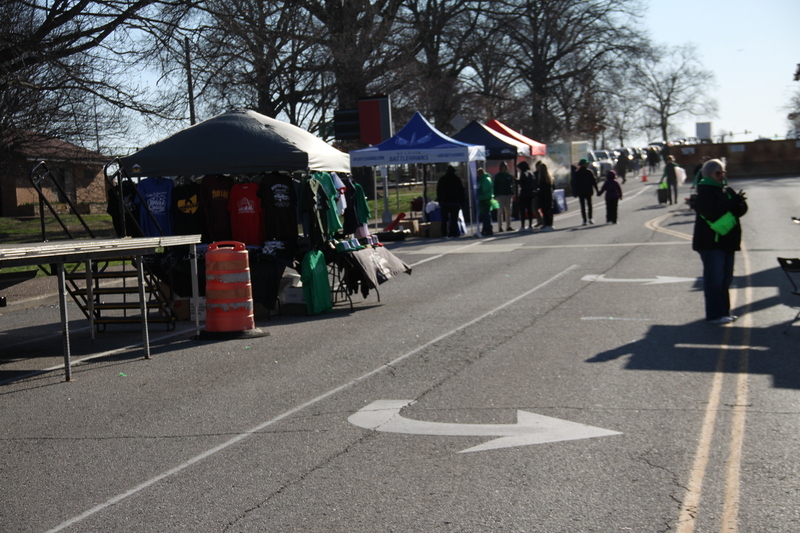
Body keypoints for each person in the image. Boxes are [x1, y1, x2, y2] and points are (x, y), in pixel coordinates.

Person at [692, 159, 748, 324]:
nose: (721, 176)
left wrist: (740, 203)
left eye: (723, 172)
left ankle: (724, 312)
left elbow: (738, 212)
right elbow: (711, 213)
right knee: (715, 280)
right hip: (711, 243)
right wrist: (730, 203)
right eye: (718, 173)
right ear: (708, 174)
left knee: (726, 279)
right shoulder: (705, 191)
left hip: (727, 242)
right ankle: (714, 314)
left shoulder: (726, 190)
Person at [436, 165, 465, 238]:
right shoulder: (457, 179)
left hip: (444, 202)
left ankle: (444, 233)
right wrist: (462, 201)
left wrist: (440, 200)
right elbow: (461, 191)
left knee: (444, 219)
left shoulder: (442, 179)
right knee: (454, 219)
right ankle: (453, 233)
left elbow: (438, 191)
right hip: (455, 202)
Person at [572, 158, 600, 225]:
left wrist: (575, 192)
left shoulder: (577, 173)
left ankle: (584, 220)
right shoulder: (589, 172)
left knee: (582, 206)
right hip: (588, 191)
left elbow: (574, 183)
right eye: (586, 163)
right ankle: (590, 218)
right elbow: (594, 182)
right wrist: (597, 190)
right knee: (589, 205)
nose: (587, 164)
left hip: (580, 191)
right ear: (583, 164)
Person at [493, 162, 515, 232]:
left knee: (508, 211)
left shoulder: (509, 175)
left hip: (508, 195)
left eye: (505, 167)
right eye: (503, 167)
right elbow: (495, 186)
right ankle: (500, 227)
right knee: (500, 212)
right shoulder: (497, 176)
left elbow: (512, 184)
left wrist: (512, 192)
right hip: (500, 196)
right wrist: (496, 195)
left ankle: (508, 226)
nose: (504, 168)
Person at [516, 161, 538, 231]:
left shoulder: (524, 173)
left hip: (524, 193)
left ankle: (522, 226)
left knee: (522, 210)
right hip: (530, 194)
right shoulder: (531, 173)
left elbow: (520, 182)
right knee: (529, 210)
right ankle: (530, 225)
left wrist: (514, 179)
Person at [477, 167, 498, 236]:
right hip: (483, 198)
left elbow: (484, 189)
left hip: (486, 198)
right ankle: (485, 229)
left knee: (486, 215)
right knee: (485, 215)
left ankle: (488, 229)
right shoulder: (483, 179)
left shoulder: (485, 179)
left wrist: (478, 190)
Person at [536, 160, 555, 231]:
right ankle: (550, 224)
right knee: (549, 211)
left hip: (544, 196)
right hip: (549, 195)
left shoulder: (542, 178)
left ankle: (547, 225)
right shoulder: (549, 177)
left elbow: (541, 188)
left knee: (545, 211)